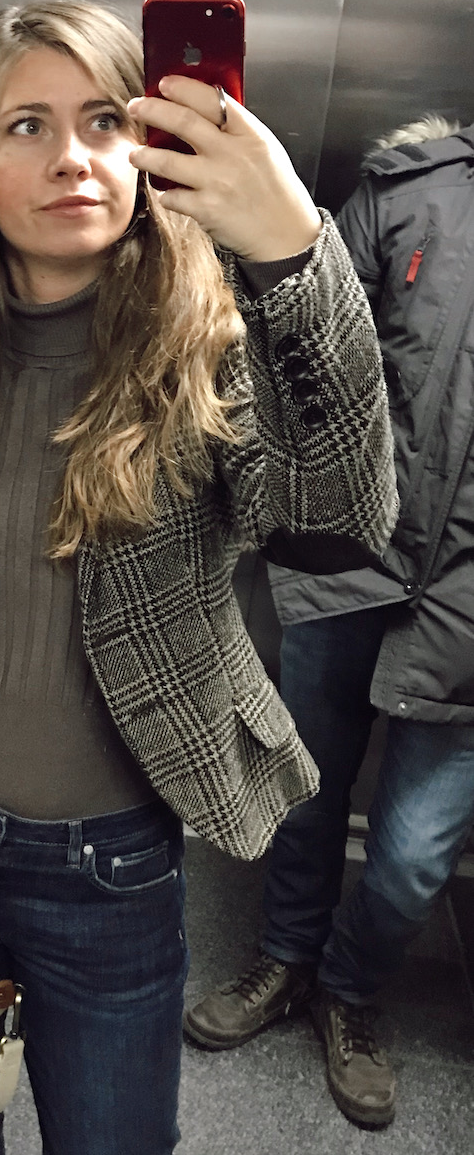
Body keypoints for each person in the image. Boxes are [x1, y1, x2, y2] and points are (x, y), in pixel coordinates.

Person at [0, 0, 396, 1154]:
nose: (72, 155)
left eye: (106, 119)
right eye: (27, 125)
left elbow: (344, 516)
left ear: (146, 145)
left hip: (109, 867)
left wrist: (294, 256)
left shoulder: (208, 350)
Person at [184, 113, 474, 1130]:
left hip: (470, 606)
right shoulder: (412, 190)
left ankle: (350, 989)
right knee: (302, 791)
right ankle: (287, 959)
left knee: (413, 857)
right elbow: (294, 339)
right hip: (353, 552)